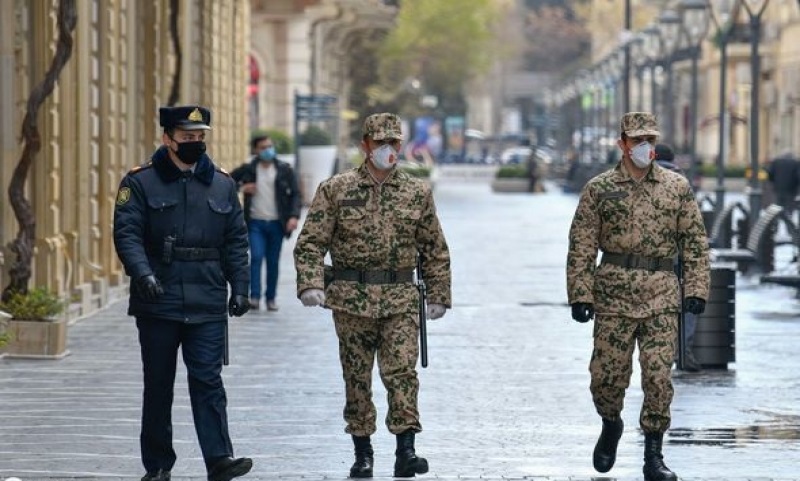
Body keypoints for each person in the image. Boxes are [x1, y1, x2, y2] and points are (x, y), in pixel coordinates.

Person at [293, 112, 452, 478]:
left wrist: (438, 293)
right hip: (352, 299)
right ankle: (362, 452)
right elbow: (311, 243)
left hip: (400, 299)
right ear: (365, 145)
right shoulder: (336, 189)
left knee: (402, 373)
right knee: (356, 376)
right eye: (380, 142)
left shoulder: (416, 191)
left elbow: (434, 248)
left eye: (393, 142)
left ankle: (406, 450)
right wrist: (311, 283)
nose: (387, 148)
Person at [566, 112, 710, 481]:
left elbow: (695, 242)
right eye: (638, 140)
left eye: (650, 139)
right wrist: (580, 294)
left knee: (658, 376)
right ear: (623, 144)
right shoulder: (600, 188)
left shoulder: (676, 187)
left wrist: (696, 289)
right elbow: (581, 245)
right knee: (606, 378)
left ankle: (653, 456)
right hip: (613, 295)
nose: (646, 146)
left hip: (661, 293)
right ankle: (610, 423)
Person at [113, 105, 253, 481]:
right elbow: (126, 233)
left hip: (207, 297)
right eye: (187, 137)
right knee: (159, 385)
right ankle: (158, 465)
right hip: (158, 299)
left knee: (208, 380)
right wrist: (142, 274)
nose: (195, 143)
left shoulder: (222, 183)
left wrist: (241, 287)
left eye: (199, 137)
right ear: (167, 139)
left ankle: (219, 459)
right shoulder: (139, 182)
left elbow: (236, 241)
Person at [230, 134, 301, 311]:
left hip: (277, 223)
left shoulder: (285, 169)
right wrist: (242, 188)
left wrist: (293, 216)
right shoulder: (249, 169)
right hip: (255, 223)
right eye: (263, 147)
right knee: (256, 257)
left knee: (272, 261)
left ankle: (271, 298)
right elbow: (227, 182)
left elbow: (295, 195)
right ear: (256, 150)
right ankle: (254, 297)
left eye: (269, 146)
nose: (268, 150)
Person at [654, 143, 703, 373]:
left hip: (649, 258)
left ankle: (658, 351)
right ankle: (682, 349)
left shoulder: (639, 177)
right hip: (676, 256)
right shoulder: (681, 181)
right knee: (686, 301)